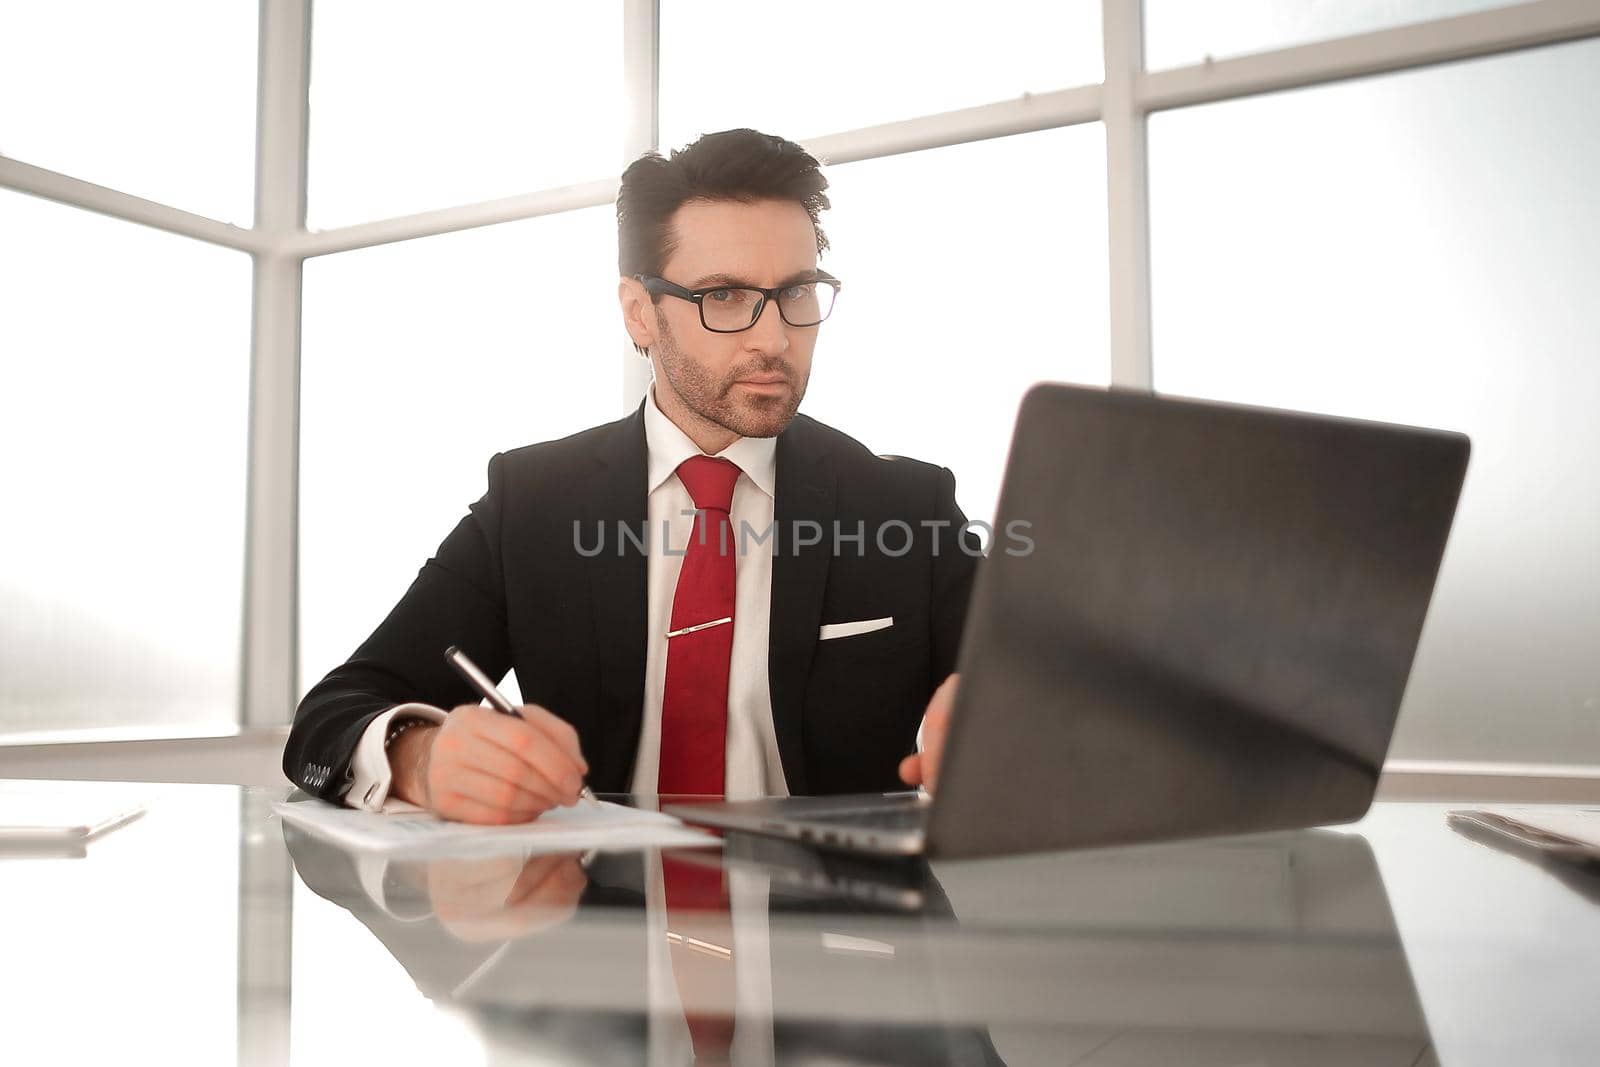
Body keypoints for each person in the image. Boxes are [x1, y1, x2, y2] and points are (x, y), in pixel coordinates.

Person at [284, 128, 975, 823]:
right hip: (590, 912)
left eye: (796, 291)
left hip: (839, 918)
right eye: (726, 296)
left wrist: (1016, 722)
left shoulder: (908, 509)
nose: (774, 338)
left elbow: (1054, 693)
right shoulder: (534, 504)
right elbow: (334, 714)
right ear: (640, 312)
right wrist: (422, 760)